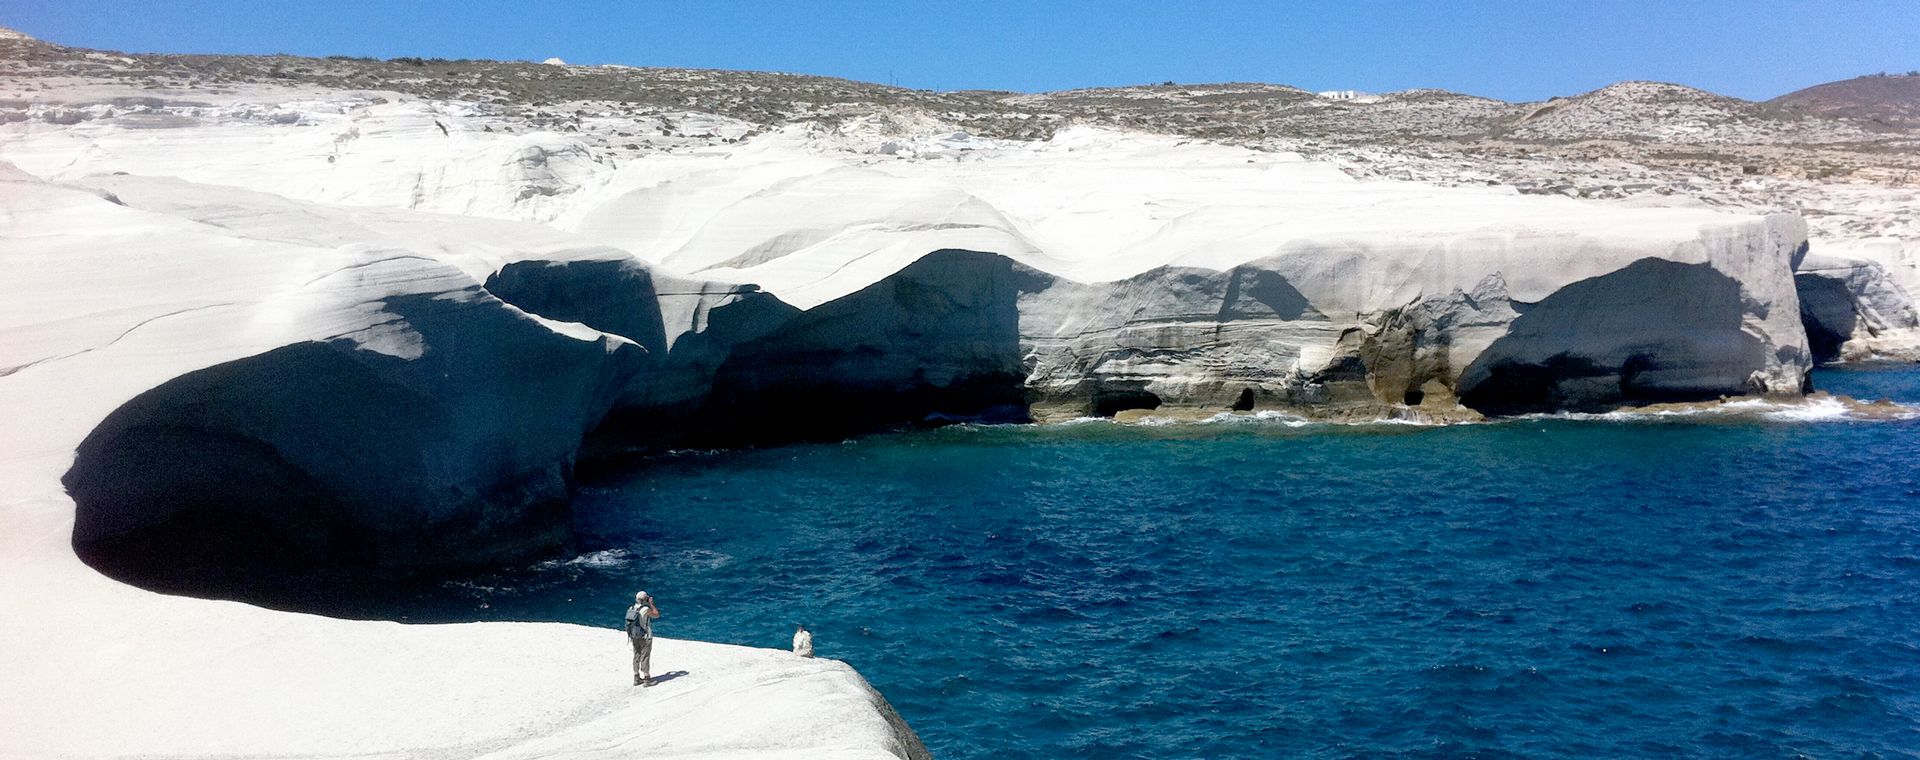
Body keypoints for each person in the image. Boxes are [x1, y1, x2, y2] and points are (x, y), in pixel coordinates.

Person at [625, 590, 662, 686]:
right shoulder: (646, 609)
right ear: (645, 599)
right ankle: (646, 679)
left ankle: (636, 677)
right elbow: (656, 614)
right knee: (645, 657)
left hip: (633, 635)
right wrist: (652, 604)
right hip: (645, 636)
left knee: (636, 655)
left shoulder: (631, 608)